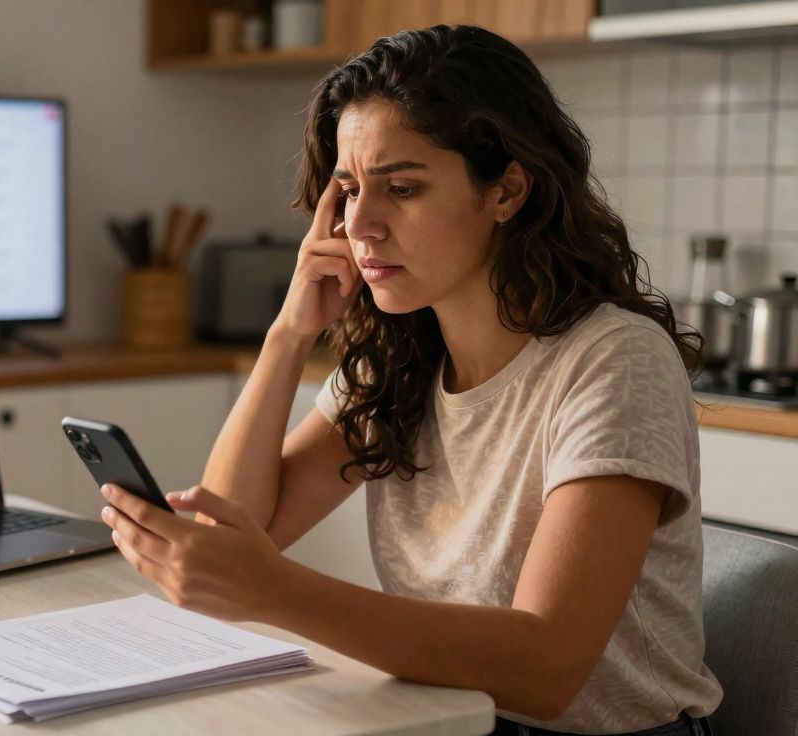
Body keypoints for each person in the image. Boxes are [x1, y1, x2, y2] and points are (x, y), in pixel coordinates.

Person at [98, 25, 720, 736]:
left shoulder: (613, 360)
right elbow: (232, 534)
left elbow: (548, 670)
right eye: (348, 190)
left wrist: (273, 591)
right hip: (447, 717)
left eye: (402, 188)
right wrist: (288, 334)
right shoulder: (400, 355)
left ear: (507, 190)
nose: (361, 225)